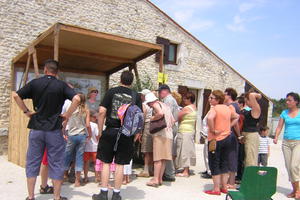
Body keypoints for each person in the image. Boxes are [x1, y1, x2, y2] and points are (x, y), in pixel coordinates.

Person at [13, 59, 80, 200]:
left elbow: (16, 95)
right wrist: (67, 115)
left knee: (32, 162)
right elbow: (77, 99)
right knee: (56, 163)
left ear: (45, 70)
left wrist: (26, 111)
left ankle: (31, 196)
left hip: (36, 128)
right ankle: (56, 197)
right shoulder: (61, 86)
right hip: (54, 129)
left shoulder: (35, 83)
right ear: (57, 72)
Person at [92, 70, 142, 200]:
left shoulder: (111, 92)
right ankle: (116, 194)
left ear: (120, 79)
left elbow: (102, 111)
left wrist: (100, 130)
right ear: (132, 82)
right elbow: (139, 116)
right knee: (120, 164)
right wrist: (137, 132)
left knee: (106, 162)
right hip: (126, 134)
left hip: (111, 130)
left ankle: (103, 193)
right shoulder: (135, 95)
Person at [204, 90, 239, 196]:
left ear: (217, 99)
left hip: (215, 139)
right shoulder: (227, 108)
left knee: (214, 163)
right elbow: (237, 117)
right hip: (227, 138)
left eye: (212, 98)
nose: (210, 100)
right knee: (224, 162)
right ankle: (224, 186)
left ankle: (216, 188)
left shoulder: (215, 109)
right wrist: (228, 126)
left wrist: (213, 129)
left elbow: (210, 118)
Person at [145, 92, 175, 187]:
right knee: (163, 159)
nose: (149, 105)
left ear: (150, 101)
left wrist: (152, 119)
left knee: (157, 158)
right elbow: (173, 121)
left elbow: (160, 113)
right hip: (168, 134)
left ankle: (155, 180)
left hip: (160, 134)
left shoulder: (155, 104)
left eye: (148, 103)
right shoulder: (165, 105)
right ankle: (160, 178)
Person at [274, 92, 300, 198]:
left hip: (298, 142)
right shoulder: (284, 112)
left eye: (289, 100)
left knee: (294, 166)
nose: (287, 102)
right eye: (286, 100)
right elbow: (279, 126)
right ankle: (295, 190)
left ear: (296, 102)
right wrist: (276, 136)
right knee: (289, 167)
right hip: (286, 143)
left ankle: (298, 190)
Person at [64, 93, 92, 187]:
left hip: (71, 135)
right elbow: (88, 125)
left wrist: (63, 132)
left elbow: (65, 120)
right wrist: (90, 134)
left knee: (67, 156)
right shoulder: (86, 110)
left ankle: (63, 176)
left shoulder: (71, 109)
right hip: (82, 135)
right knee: (79, 157)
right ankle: (77, 181)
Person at [158, 84, 179, 182]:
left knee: (167, 151)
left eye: (160, 92)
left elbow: (167, 115)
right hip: (171, 127)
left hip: (169, 127)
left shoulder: (168, 100)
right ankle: (168, 172)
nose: (159, 94)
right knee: (167, 151)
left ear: (165, 91)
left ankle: (169, 173)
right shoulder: (171, 99)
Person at [175, 92, 197, 177]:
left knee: (184, 151)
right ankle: (186, 169)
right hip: (191, 130)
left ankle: (185, 171)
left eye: (185, 98)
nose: (184, 100)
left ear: (189, 99)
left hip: (184, 131)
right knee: (188, 150)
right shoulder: (194, 107)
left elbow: (178, 117)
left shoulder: (186, 108)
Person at [224, 88, 242, 189]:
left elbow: (236, 121)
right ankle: (230, 181)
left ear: (229, 95)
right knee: (232, 156)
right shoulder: (235, 105)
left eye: (225, 94)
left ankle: (230, 182)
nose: (224, 96)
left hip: (231, 135)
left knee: (231, 157)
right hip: (233, 135)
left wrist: (228, 127)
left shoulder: (231, 106)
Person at [242, 92, 262, 167]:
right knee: (245, 158)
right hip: (244, 134)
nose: (246, 103)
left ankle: (251, 176)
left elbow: (251, 95)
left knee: (251, 159)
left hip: (251, 134)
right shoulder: (247, 110)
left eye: (247, 101)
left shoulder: (256, 110)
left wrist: (258, 96)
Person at [137, 89, 154, 178]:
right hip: (154, 126)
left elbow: (142, 118)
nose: (141, 96)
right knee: (151, 149)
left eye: (142, 95)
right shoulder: (153, 103)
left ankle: (146, 170)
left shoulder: (144, 104)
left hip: (147, 125)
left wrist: (139, 131)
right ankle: (151, 169)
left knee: (146, 149)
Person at [84, 110, 100, 183]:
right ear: (90, 117)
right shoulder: (95, 125)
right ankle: (96, 177)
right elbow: (97, 136)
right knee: (96, 163)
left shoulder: (84, 124)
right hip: (95, 147)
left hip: (86, 147)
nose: (95, 118)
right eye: (94, 117)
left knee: (86, 162)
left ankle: (85, 177)